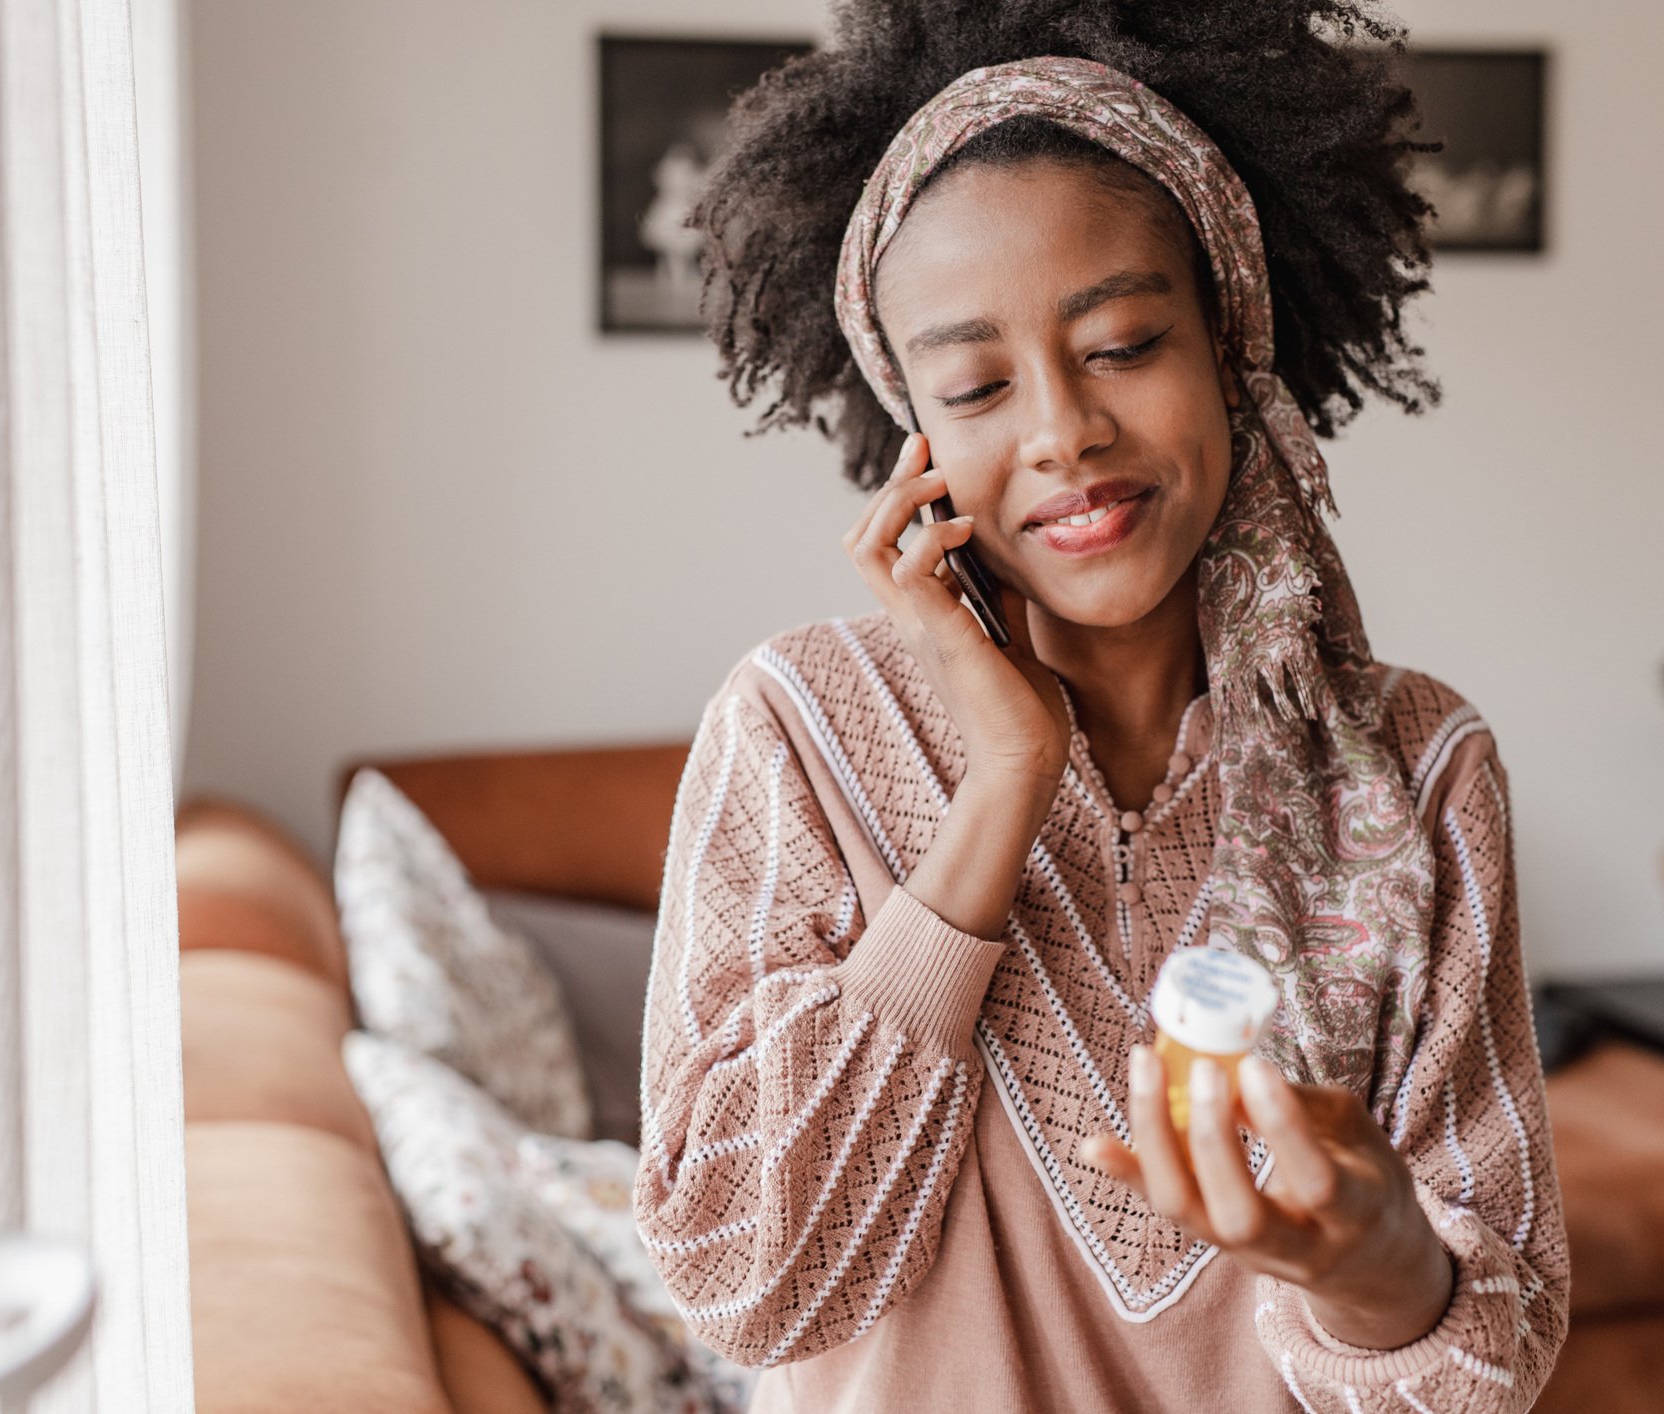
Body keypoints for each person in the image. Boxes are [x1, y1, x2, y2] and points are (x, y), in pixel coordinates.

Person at [632, 6, 1569, 1411]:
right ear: (916, 440)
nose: (1061, 428)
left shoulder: (1420, 770)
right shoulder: (792, 727)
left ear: (1230, 344)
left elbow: (1488, 1357)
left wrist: (1377, 1265)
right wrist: (1005, 777)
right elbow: (745, 1280)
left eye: (1124, 342)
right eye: (975, 385)